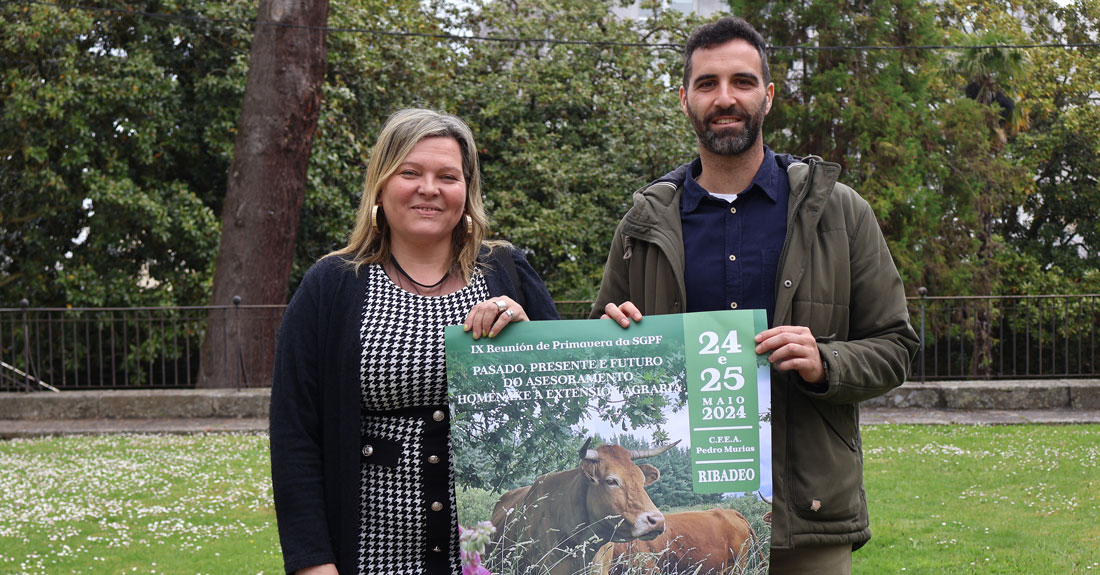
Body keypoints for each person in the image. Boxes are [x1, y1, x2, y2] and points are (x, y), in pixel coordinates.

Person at [591, 17, 920, 575]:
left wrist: (826, 362)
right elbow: (600, 354)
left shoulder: (839, 212)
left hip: (807, 515)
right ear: (685, 100)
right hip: (684, 524)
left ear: (767, 95)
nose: (725, 98)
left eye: (742, 82)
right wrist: (612, 335)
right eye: (707, 84)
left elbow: (896, 346)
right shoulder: (643, 223)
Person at [270, 108, 559, 575]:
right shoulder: (332, 285)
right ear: (381, 185)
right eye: (411, 172)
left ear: (467, 192)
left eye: (448, 175)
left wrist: (528, 338)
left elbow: (566, 391)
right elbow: (294, 435)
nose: (430, 188)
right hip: (371, 554)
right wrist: (313, 564)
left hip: (491, 557)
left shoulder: (506, 271)